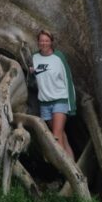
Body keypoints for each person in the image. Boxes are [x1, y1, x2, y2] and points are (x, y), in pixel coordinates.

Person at [29, 29, 76, 159]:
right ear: (38, 42)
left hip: (60, 101)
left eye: (46, 40)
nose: (44, 43)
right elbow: (33, 81)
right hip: (44, 103)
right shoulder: (35, 57)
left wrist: (71, 105)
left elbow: (68, 80)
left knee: (56, 137)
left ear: (51, 42)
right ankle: (74, 167)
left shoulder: (58, 57)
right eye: (41, 40)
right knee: (61, 135)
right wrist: (31, 73)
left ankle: (66, 173)